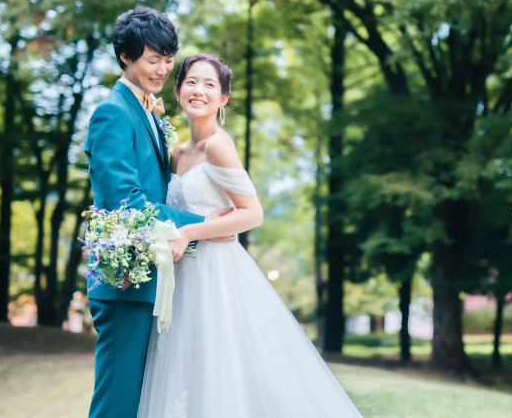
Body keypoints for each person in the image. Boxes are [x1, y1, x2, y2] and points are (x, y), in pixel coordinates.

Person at [137, 54, 363, 417]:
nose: (198, 90)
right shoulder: (177, 154)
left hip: (216, 275)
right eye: (191, 82)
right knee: (184, 375)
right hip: (181, 277)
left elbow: (252, 213)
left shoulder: (218, 145)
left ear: (223, 98)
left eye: (210, 85)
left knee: (220, 371)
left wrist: (190, 231)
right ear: (177, 91)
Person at [85, 7, 231, 418]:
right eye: (153, 59)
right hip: (124, 283)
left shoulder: (147, 110)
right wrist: (202, 225)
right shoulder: (113, 112)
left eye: (169, 59)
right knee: (117, 404)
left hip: (150, 277)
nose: (164, 69)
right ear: (125, 57)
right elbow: (126, 201)